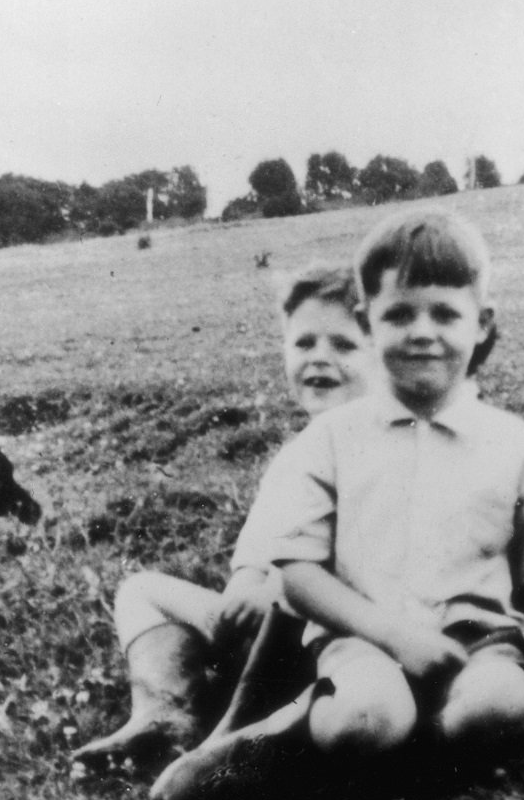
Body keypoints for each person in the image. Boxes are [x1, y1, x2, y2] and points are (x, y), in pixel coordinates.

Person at [150, 209, 524, 800]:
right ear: (366, 321)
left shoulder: (513, 444)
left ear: (481, 324)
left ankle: (404, 755)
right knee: (365, 718)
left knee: (501, 705)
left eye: (445, 314)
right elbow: (299, 579)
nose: (422, 332)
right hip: (362, 642)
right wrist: (395, 637)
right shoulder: (331, 439)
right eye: (399, 314)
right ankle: (279, 745)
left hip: (478, 643)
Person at [72, 264, 374, 762]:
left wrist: (277, 591)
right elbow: (258, 549)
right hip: (262, 628)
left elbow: (371, 561)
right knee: (141, 591)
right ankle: (167, 712)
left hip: (338, 638)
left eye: (343, 345)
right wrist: (246, 585)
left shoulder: (379, 449)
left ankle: (255, 726)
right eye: (304, 344)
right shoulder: (296, 456)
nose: (320, 358)